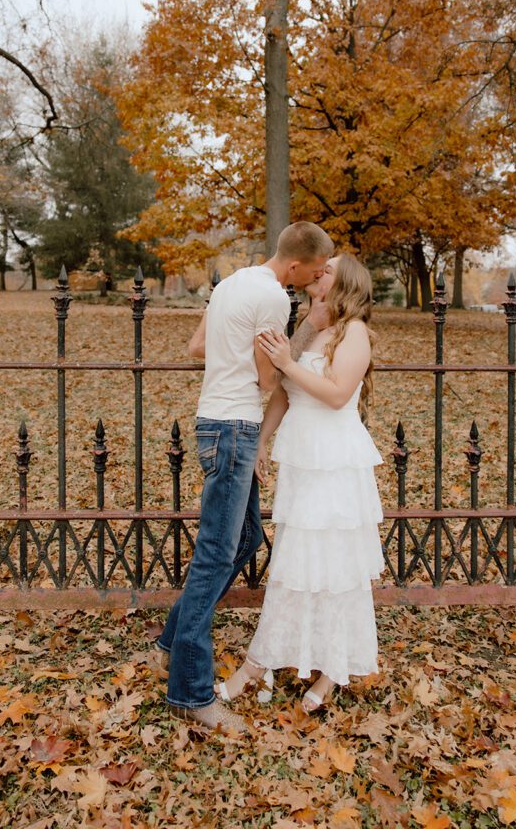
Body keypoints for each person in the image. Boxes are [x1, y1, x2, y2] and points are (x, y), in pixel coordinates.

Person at [155, 221, 334, 733]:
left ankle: (171, 644)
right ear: (296, 265)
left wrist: (236, 352)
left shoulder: (230, 284)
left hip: (212, 422)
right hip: (234, 427)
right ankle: (190, 693)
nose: (317, 279)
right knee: (215, 554)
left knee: (245, 538)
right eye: (316, 271)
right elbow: (267, 376)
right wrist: (303, 336)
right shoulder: (276, 299)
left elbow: (197, 347)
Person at [215, 254, 383, 712]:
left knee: (335, 568)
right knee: (295, 562)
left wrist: (288, 362)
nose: (316, 272)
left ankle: (327, 670)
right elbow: (284, 394)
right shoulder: (310, 327)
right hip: (302, 459)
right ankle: (271, 658)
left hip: (335, 461)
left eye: (326, 269)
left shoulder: (355, 333)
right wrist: (262, 443)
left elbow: (335, 395)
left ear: (343, 282)